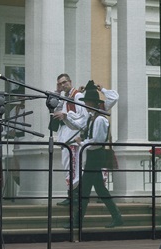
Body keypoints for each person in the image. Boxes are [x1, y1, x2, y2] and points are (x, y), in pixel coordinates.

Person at [72, 82, 123, 228]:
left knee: (85, 189)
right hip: (93, 156)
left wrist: (81, 142)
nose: (85, 105)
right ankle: (117, 217)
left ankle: (77, 221)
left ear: (93, 103)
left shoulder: (99, 119)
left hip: (96, 156)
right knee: (100, 189)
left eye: (87, 102)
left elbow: (97, 141)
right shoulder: (92, 118)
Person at [53, 73, 85, 206]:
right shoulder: (65, 97)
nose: (63, 85)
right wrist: (57, 92)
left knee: (73, 168)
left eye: (64, 82)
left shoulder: (77, 96)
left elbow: (82, 117)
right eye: (60, 83)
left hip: (72, 136)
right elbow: (54, 108)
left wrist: (67, 116)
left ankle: (74, 196)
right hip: (65, 137)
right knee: (68, 167)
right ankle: (71, 195)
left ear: (70, 82)